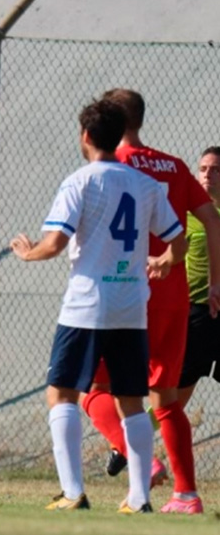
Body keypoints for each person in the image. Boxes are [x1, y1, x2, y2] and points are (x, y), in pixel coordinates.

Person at [10, 97, 184, 514]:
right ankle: (139, 498)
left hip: (86, 306)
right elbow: (179, 238)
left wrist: (26, 252)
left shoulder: (80, 181)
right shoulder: (143, 183)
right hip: (131, 306)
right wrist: (162, 262)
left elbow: (54, 243)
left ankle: (73, 493)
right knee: (131, 402)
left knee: (61, 395)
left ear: (85, 136)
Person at [76, 89, 220, 515]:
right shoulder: (173, 165)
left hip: (124, 290)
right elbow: (210, 217)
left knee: (91, 388)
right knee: (166, 396)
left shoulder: (109, 164)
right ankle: (187, 495)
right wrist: (215, 283)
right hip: (174, 296)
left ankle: (142, 459)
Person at [179, 147, 220, 411]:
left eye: (216, 169)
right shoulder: (185, 213)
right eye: (204, 169)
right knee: (173, 398)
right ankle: (125, 449)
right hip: (196, 314)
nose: (208, 175)